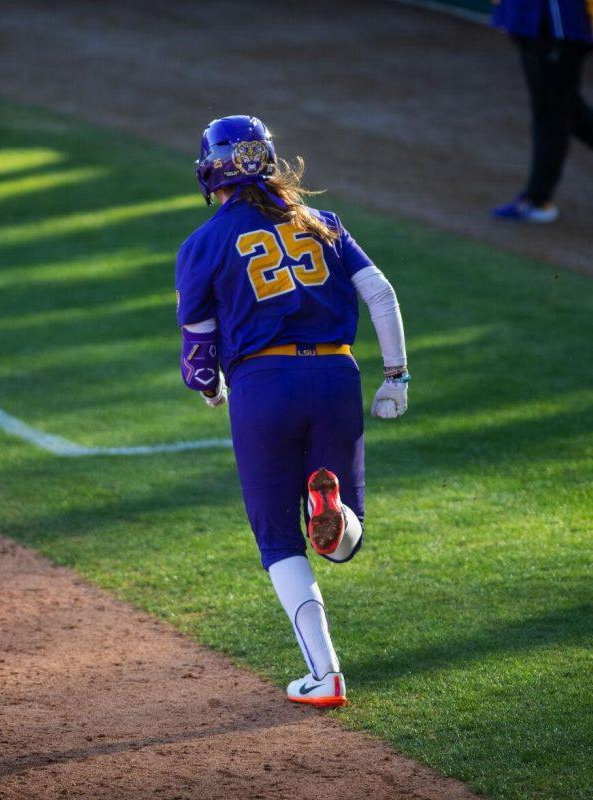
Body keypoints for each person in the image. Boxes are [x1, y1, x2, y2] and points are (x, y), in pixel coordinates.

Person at [175, 115, 409, 707]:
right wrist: (396, 377)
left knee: (279, 539)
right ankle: (330, 510)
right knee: (343, 541)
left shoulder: (202, 243)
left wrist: (212, 390)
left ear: (212, 171)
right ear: (271, 163)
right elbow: (380, 293)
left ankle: (325, 675)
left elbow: (201, 361)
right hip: (336, 373)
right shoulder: (322, 223)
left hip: (262, 385)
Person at [491, 0, 593, 222]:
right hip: (526, 15)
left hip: (562, 22)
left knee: (551, 111)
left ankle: (538, 200)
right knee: (557, 105)